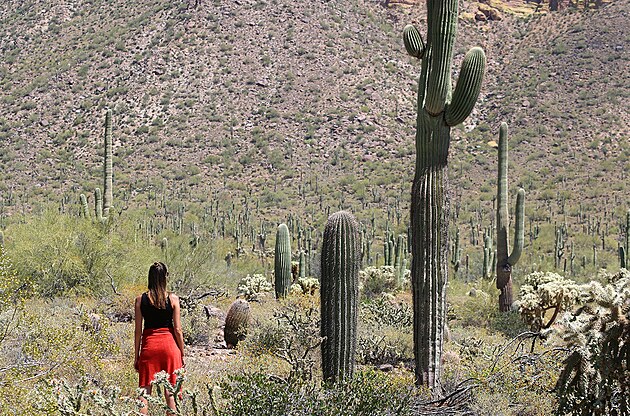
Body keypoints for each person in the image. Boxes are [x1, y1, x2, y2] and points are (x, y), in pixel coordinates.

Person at [134, 262, 185, 415]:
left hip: (149, 347)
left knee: (144, 391)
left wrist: (136, 356)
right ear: (165, 277)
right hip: (170, 347)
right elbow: (178, 330)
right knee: (170, 391)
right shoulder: (173, 299)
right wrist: (182, 353)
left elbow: (138, 331)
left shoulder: (140, 300)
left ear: (149, 278)